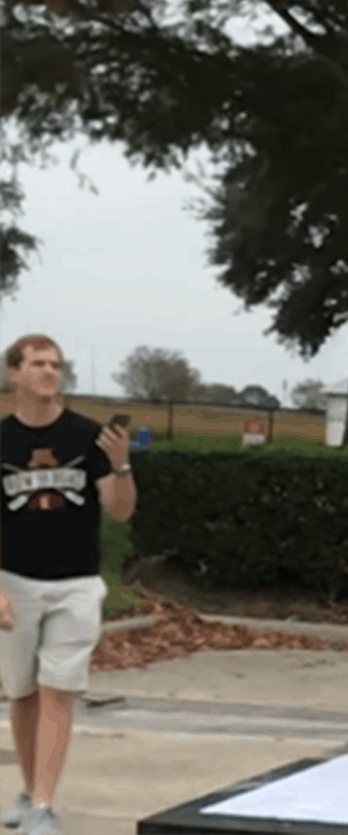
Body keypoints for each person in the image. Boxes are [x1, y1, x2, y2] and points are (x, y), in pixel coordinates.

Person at [0, 335, 135, 835]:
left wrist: (120, 464)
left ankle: (43, 803)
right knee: (23, 693)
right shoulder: (2, 439)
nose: (49, 372)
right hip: (14, 582)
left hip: (77, 583)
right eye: (37, 364)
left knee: (59, 690)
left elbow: (120, 511)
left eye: (55, 364)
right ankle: (28, 790)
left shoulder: (87, 437)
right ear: (15, 373)